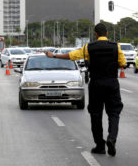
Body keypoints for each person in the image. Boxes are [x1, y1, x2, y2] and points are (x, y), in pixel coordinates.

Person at [45, 23, 126, 156]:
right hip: (112, 83)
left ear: (95, 34)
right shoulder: (115, 47)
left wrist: (53, 56)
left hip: (96, 84)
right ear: (107, 34)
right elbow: (122, 63)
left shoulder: (89, 48)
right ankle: (112, 138)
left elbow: (71, 56)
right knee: (114, 112)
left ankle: (100, 145)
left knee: (96, 114)